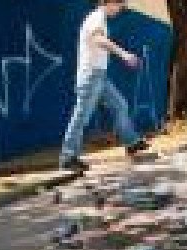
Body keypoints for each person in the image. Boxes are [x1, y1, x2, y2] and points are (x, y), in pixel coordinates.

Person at [59, 0, 149, 172]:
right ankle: (68, 157)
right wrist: (124, 54)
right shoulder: (96, 17)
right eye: (119, 4)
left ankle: (131, 142)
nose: (121, 8)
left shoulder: (99, 18)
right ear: (109, 2)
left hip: (99, 76)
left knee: (120, 104)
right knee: (81, 116)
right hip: (91, 76)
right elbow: (98, 38)